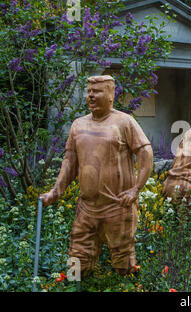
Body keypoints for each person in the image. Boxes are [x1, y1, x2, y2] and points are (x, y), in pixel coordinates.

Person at [40, 75, 154, 277]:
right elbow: (69, 161)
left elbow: (145, 152)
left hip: (117, 206)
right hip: (86, 208)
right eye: (89, 91)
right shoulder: (78, 125)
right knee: (77, 259)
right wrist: (56, 191)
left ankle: (125, 287)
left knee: (123, 262)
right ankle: (73, 287)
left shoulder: (124, 122)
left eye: (97, 91)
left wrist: (136, 189)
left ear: (110, 95)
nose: (91, 96)